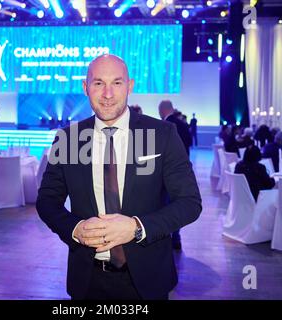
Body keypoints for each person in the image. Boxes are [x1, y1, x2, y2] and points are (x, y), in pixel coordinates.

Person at [36, 54, 202, 300]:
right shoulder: (68, 139)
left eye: (116, 82)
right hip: (88, 280)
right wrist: (76, 229)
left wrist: (137, 228)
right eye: (98, 83)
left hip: (148, 279)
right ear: (85, 87)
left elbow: (190, 203)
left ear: (130, 85)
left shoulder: (162, 134)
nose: (107, 94)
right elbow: (47, 201)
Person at [158, 100, 193, 250]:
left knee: (165, 203)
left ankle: (164, 237)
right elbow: (190, 143)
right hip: (182, 171)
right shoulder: (183, 124)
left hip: (166, 172)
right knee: (177, 203)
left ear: (161, 111)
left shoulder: (164, 127)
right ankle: (176, 237)